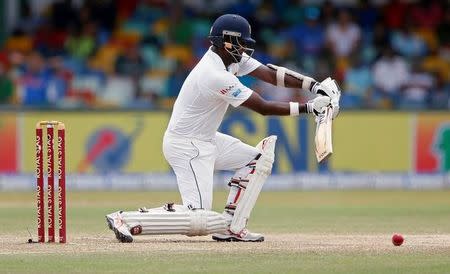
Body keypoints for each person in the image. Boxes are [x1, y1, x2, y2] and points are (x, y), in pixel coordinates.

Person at [106, 14, 340, 243]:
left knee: (257, 160)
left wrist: (315, 85)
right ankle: (125, 218)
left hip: (206, 140)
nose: (245, 51)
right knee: (198, 219)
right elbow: (263, 107)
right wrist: (309, 108)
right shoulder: (214, 74)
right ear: (226, 42)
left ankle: (232, 227)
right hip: (186, 146)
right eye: (242, 44)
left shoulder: (229, 59)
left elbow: (270, 74)